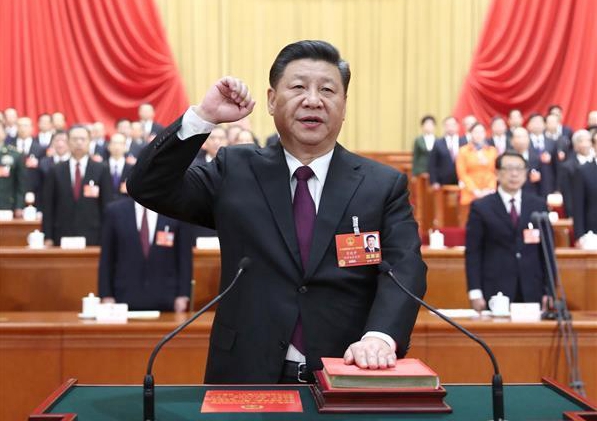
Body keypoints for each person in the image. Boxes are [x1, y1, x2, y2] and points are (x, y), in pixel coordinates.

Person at [128, 40, 426, 384]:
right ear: (271, 100)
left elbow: (405, 267)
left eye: (327, 90)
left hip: (345, 371)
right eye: (298, 87)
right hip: (245, 373)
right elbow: (148, 186)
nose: (313, 100)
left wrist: (380, 337)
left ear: (344, 105)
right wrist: (203, 117)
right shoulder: (234, 170)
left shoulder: (381, 184)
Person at [465, 151, 551, 311]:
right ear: (497, 173)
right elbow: (473, 252)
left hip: (532, 287)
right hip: (495, 288)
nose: (514, 174)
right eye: (509, 168)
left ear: (525, 173)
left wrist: (549, 290)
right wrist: (475, 292)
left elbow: (547, 251)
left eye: (519, 169)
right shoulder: (481, 207)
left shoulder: (538, 205)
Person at [98, 197, 193, 312]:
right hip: (123, 300)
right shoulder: (114, 211)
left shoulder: (175, 211)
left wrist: (183, 294)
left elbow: (184, 258)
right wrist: (106, 295)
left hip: (166, 300)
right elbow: (107, 258)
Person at [42, 125, 113, 246]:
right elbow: (48, 206)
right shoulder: (55, 170)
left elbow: (106, 205)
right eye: (75, 139)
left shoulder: (101, 169)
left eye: (83, 139)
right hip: (61, 234)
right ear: (68, 142)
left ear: (89, 142)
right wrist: (48, 236)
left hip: (94, 235)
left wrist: (107, 236)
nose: (79, 142)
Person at [456, 122, 498, 208]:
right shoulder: (463, 151)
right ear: (470, 134)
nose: (479, 135)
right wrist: (475, 190)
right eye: (476, 132)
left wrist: (489, 189)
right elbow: (462, 174)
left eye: (481, 132)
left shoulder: (492, 151)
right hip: (470, 191)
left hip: (489, 191)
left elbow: (496, 172)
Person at [558, 130, 594, 218]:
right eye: (581, 141)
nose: (585, 144)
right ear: (575, 145)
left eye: (588, 140)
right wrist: (571, 214)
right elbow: (567, 194)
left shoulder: (595, 164)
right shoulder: (567, 167)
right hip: (578, 212)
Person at [428, 116, 467, 189]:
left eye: (453, 125)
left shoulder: (464, 142)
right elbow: (432, 164)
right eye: (448, 125)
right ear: (444, 127)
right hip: (442, 182)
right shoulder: (438, 143)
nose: (450, 127)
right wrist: (434, 181)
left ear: (457, 126)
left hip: (462, 181)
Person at [0, 122, 26, 216]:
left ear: (4, 133)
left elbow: (21, 183)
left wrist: (19, 206)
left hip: (6, 205)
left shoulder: (15, 154)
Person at [106, 133, 134, 200]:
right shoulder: (101, 167)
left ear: (126, 147)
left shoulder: (132, 169)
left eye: (120, 143)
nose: (117, 146)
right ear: (109, 146)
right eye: (114, 143)